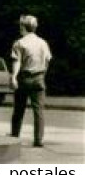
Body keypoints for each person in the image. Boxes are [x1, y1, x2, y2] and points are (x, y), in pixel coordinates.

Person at [10, 15, 52, 148]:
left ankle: (15, 136)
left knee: (19, 109)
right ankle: (38, 140)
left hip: (24, 78)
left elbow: (17, 62)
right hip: (39, 78)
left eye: (20, 26)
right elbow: (47, 61)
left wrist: (13, 77)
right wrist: (42, 74)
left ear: (23, 27)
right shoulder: (43, 42)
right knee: (39, 111)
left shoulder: (19, 43)